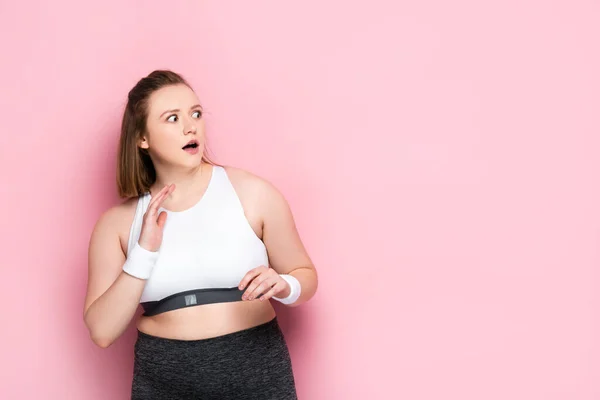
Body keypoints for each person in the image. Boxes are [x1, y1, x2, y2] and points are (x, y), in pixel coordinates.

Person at [83, 70, 318, 399]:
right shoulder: (117, 224)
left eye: (195, 113)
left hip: (255, 369)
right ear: (142, 138)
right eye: (172, 118)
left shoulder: (253, 193)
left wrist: (285, 284)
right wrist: (144, 253)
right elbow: (102, 331)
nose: (190, 126)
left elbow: (305, 275)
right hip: (164, 377)